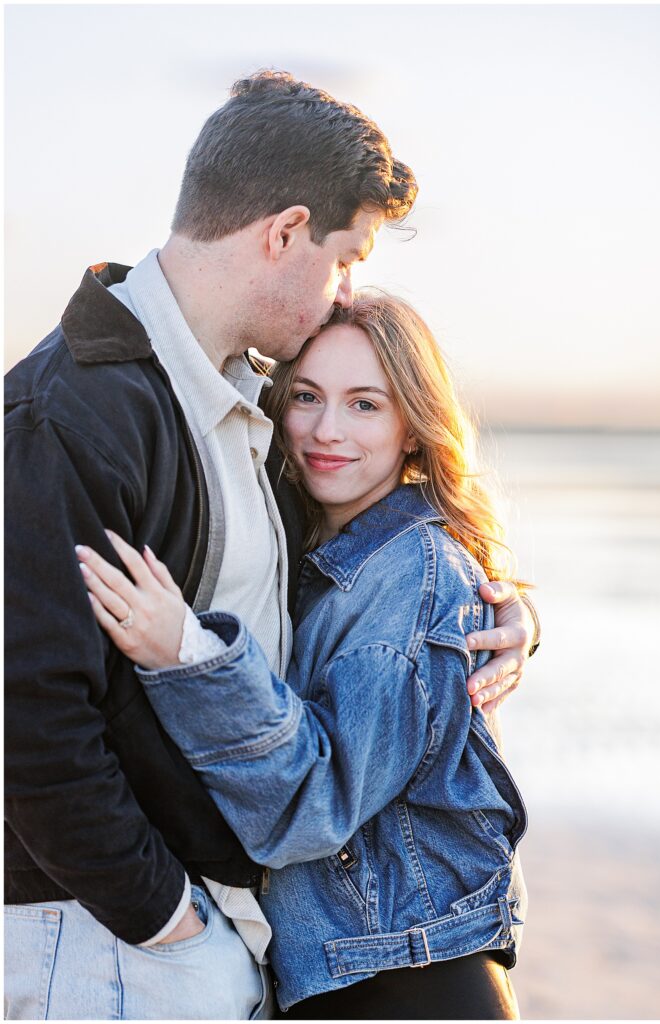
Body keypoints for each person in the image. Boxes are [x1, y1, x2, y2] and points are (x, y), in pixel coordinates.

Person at [4, 71, 537, 1020]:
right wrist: (170, 925)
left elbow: (381, 580)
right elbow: (29, 719)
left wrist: (496, 607)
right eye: (346, 258)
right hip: (115, 934)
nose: (346, 287)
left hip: (262, 939)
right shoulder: (73, 413)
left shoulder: (241, 413)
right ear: (285, 232)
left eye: (365, 404)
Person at [77, 292, 530, 1020]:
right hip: (346, 973)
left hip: (407, 984)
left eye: (364, 405)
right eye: (308, 397)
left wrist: (189, 655)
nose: (326, 430)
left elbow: (312, 810)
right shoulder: (310, 550)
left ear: (413, 428)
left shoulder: (414, 575)